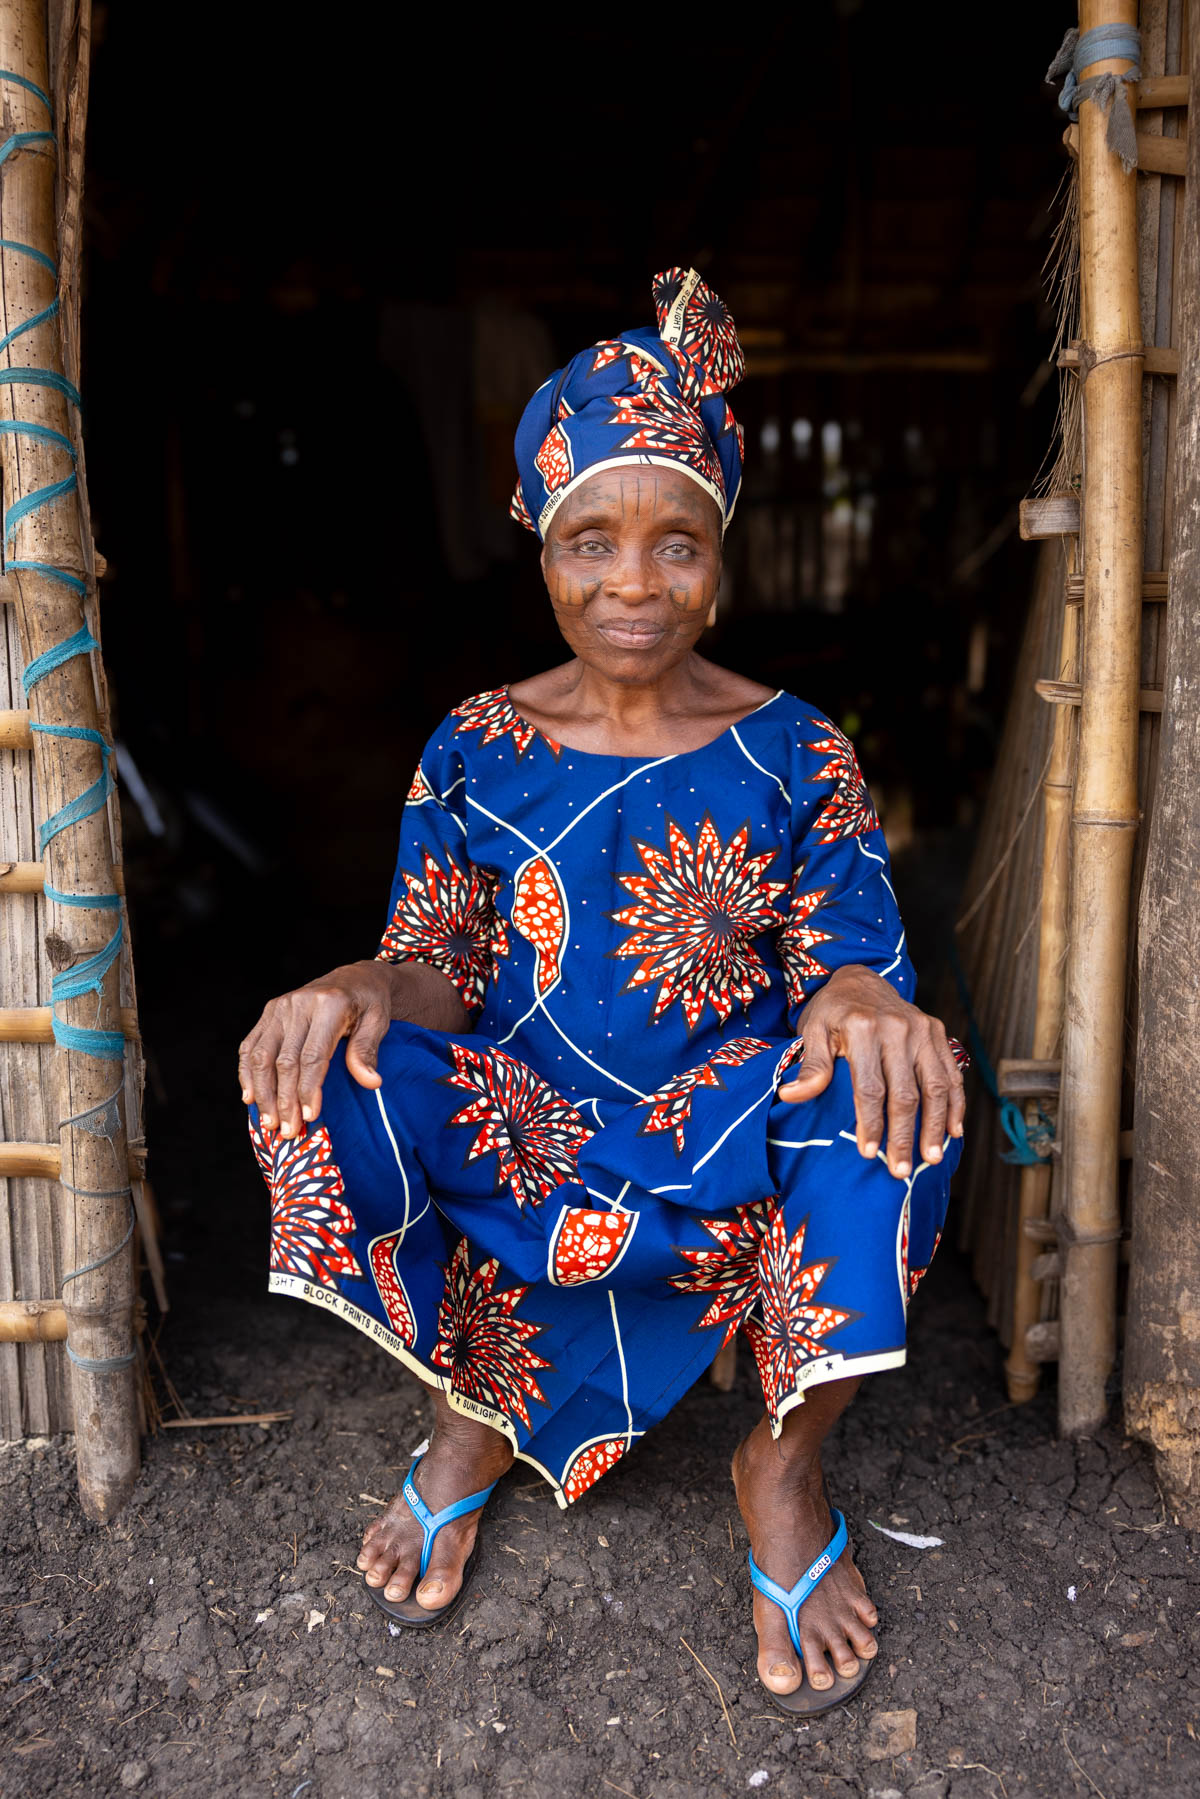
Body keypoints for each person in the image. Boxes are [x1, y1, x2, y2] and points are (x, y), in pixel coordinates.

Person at [238, 268, 965, 1717]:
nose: (635, 581)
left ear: (723, 555)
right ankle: (474, 1403)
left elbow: (842, 972)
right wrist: (351, 981)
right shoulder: (473, 745)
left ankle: (784, 1459)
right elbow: (434, 975)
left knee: (912, 1090)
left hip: (723, 1128)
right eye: (594, 542)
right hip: (531, 1126)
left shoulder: (797, 749)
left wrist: (869, 1001)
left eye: (676, 543)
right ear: (542, 550)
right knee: (325, 1059)